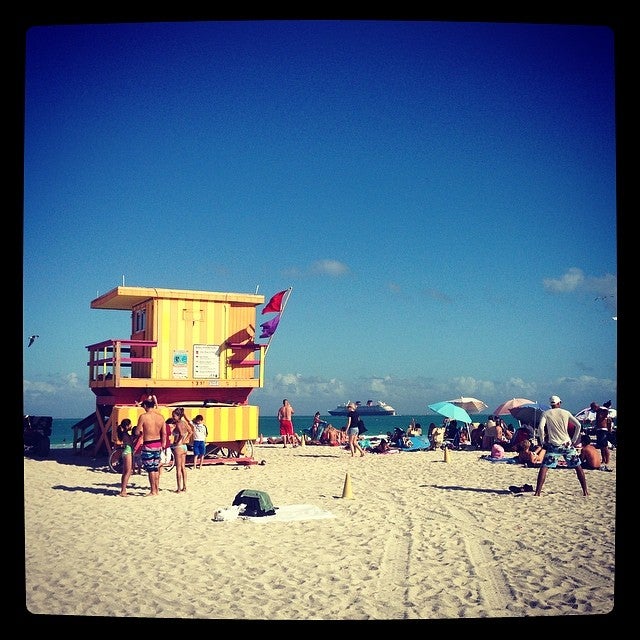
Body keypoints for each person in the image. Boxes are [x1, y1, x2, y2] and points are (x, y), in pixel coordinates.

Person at [534, 395, 588, 497]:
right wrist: (574, 440)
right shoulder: (566, 413)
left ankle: (538, 492)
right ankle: (585, 491)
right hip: (567, 445)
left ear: (551, 404)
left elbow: (540, 427)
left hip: (553, 445)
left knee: (544, 467)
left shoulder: (546, 413)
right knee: (578, 467)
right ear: (559, 403)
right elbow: (578, 425)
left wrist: (542, 441)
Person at [136, 399, 167, 496]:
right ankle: (156, 490)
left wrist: (140, 433)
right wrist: (163, 444)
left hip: (148, 444)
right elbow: (164, 433)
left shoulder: (143, 417)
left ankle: (153, 490)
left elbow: (137, 431)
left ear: (145, 405)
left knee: (150, 469)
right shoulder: (161, 417)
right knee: (156, 468)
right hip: (158, 444)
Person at [170, 408, 193, 492]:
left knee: (178, 468)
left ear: (179, 416)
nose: (173, 417)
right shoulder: (184, 423)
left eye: (174, 416)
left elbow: (181, 433)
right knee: (183, 467)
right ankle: (185, 486)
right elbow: (190, 432)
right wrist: (185, 440)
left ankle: (179, 488)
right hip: (184, 447)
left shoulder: (178, 424)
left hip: (178, 447)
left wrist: (178, 440)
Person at [116, 418, 138, 497]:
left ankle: (123, 489)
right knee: (128, 471)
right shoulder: (125, 434)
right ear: (126, 426)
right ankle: (123, 490)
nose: (131, 426)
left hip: (127, 452)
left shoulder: (125, 434)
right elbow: (130, 442)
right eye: (130, 424)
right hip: (127, 452)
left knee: (125, 472)